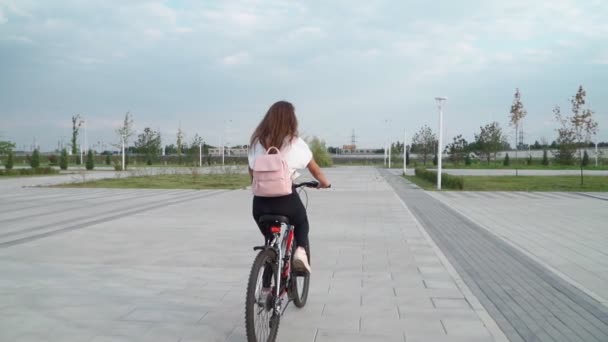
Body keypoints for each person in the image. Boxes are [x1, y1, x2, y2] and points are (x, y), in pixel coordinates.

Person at [248, 101, 331, 273]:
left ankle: (266, 285)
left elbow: (252, 172)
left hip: (260, 205)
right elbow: (314, 169)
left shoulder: (256, 142)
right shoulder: (294, 142)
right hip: (286, 201)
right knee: (301, 221)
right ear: (291, 120)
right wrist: (324, 183)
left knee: (270, 243)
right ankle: (300, 251)